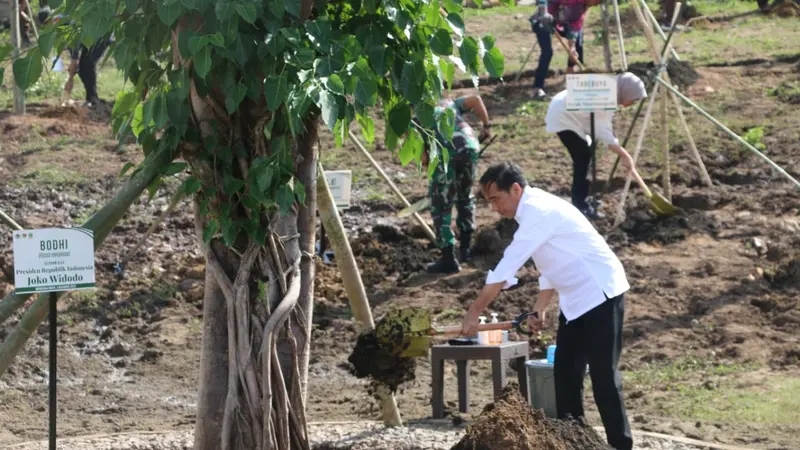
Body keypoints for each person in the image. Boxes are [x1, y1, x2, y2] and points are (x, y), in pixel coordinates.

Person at [461, 161, 633, 450]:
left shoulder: (539, 211)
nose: (494, 208)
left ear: (515, 189)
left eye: (496, 199)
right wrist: (542, 306)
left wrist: (474, 311)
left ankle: (621, 445)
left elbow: (506, 267)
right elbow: (550, 262)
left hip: (601, 291)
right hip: (574, 300)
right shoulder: (530, 214)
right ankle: (574, 442)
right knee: (565, 372)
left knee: (604, 376)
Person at [544, 72, 647, 219]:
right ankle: (580, 205)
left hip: (572, 115)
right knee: (583, 159)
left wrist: (614, 140)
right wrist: (625, 155)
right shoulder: (603, 100)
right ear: (626, 92)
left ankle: (584, 198)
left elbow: (605, 127)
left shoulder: (609, 94)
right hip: (563, 118)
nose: (633, 103)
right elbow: (604, 134)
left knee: (586, 156)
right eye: (633, 99)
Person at [418, 95, 492, 274]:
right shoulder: (448, 103)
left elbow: (424, 158)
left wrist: (429, 166)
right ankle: (465, 250)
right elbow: (475, 98)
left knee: (441, 204)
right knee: (465, 197)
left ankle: (449, 260)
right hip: (469, 146)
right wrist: (486, 126)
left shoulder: (417, 117)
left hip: (446, 153)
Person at [38, 6, 113, 107]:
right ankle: (92, 98)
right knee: (82, 68)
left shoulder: (67, 22)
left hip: (100, 36)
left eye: (47, 24)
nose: (48, 28)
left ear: (53, 19)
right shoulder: (59, 27)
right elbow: (71, 50)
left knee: (88, 63)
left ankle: (93, 99)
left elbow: (74, 53)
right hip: (89, 40)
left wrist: (70, 78)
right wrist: (72, 72)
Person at [529, 0, 588, 100]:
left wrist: (572, 48)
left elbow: (574, 28)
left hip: (562, 23)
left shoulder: (582, 6)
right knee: (547, 52)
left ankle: (571, 79)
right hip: (543, 20)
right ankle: (537, 88)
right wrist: (544, 11)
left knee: (578, 43)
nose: (596, 4)